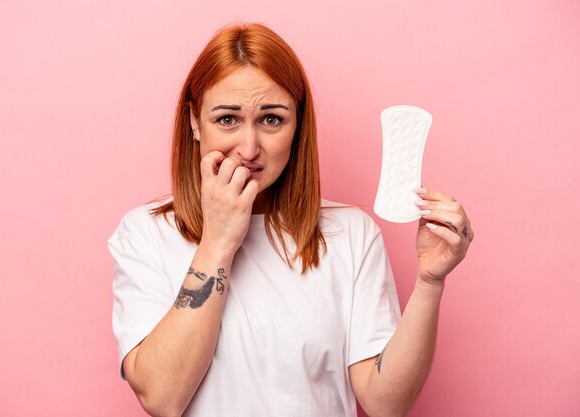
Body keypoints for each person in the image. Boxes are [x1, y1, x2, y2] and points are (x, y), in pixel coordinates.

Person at [108, 22, 474, 417]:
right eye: (227, 119)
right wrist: (217, 241)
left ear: (298, 125)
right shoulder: (144, 233)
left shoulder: (350, 233)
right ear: (195, 122)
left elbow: (385, 404)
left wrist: (430, 281)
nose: (249, 148)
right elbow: (161, 399)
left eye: (271, 120)